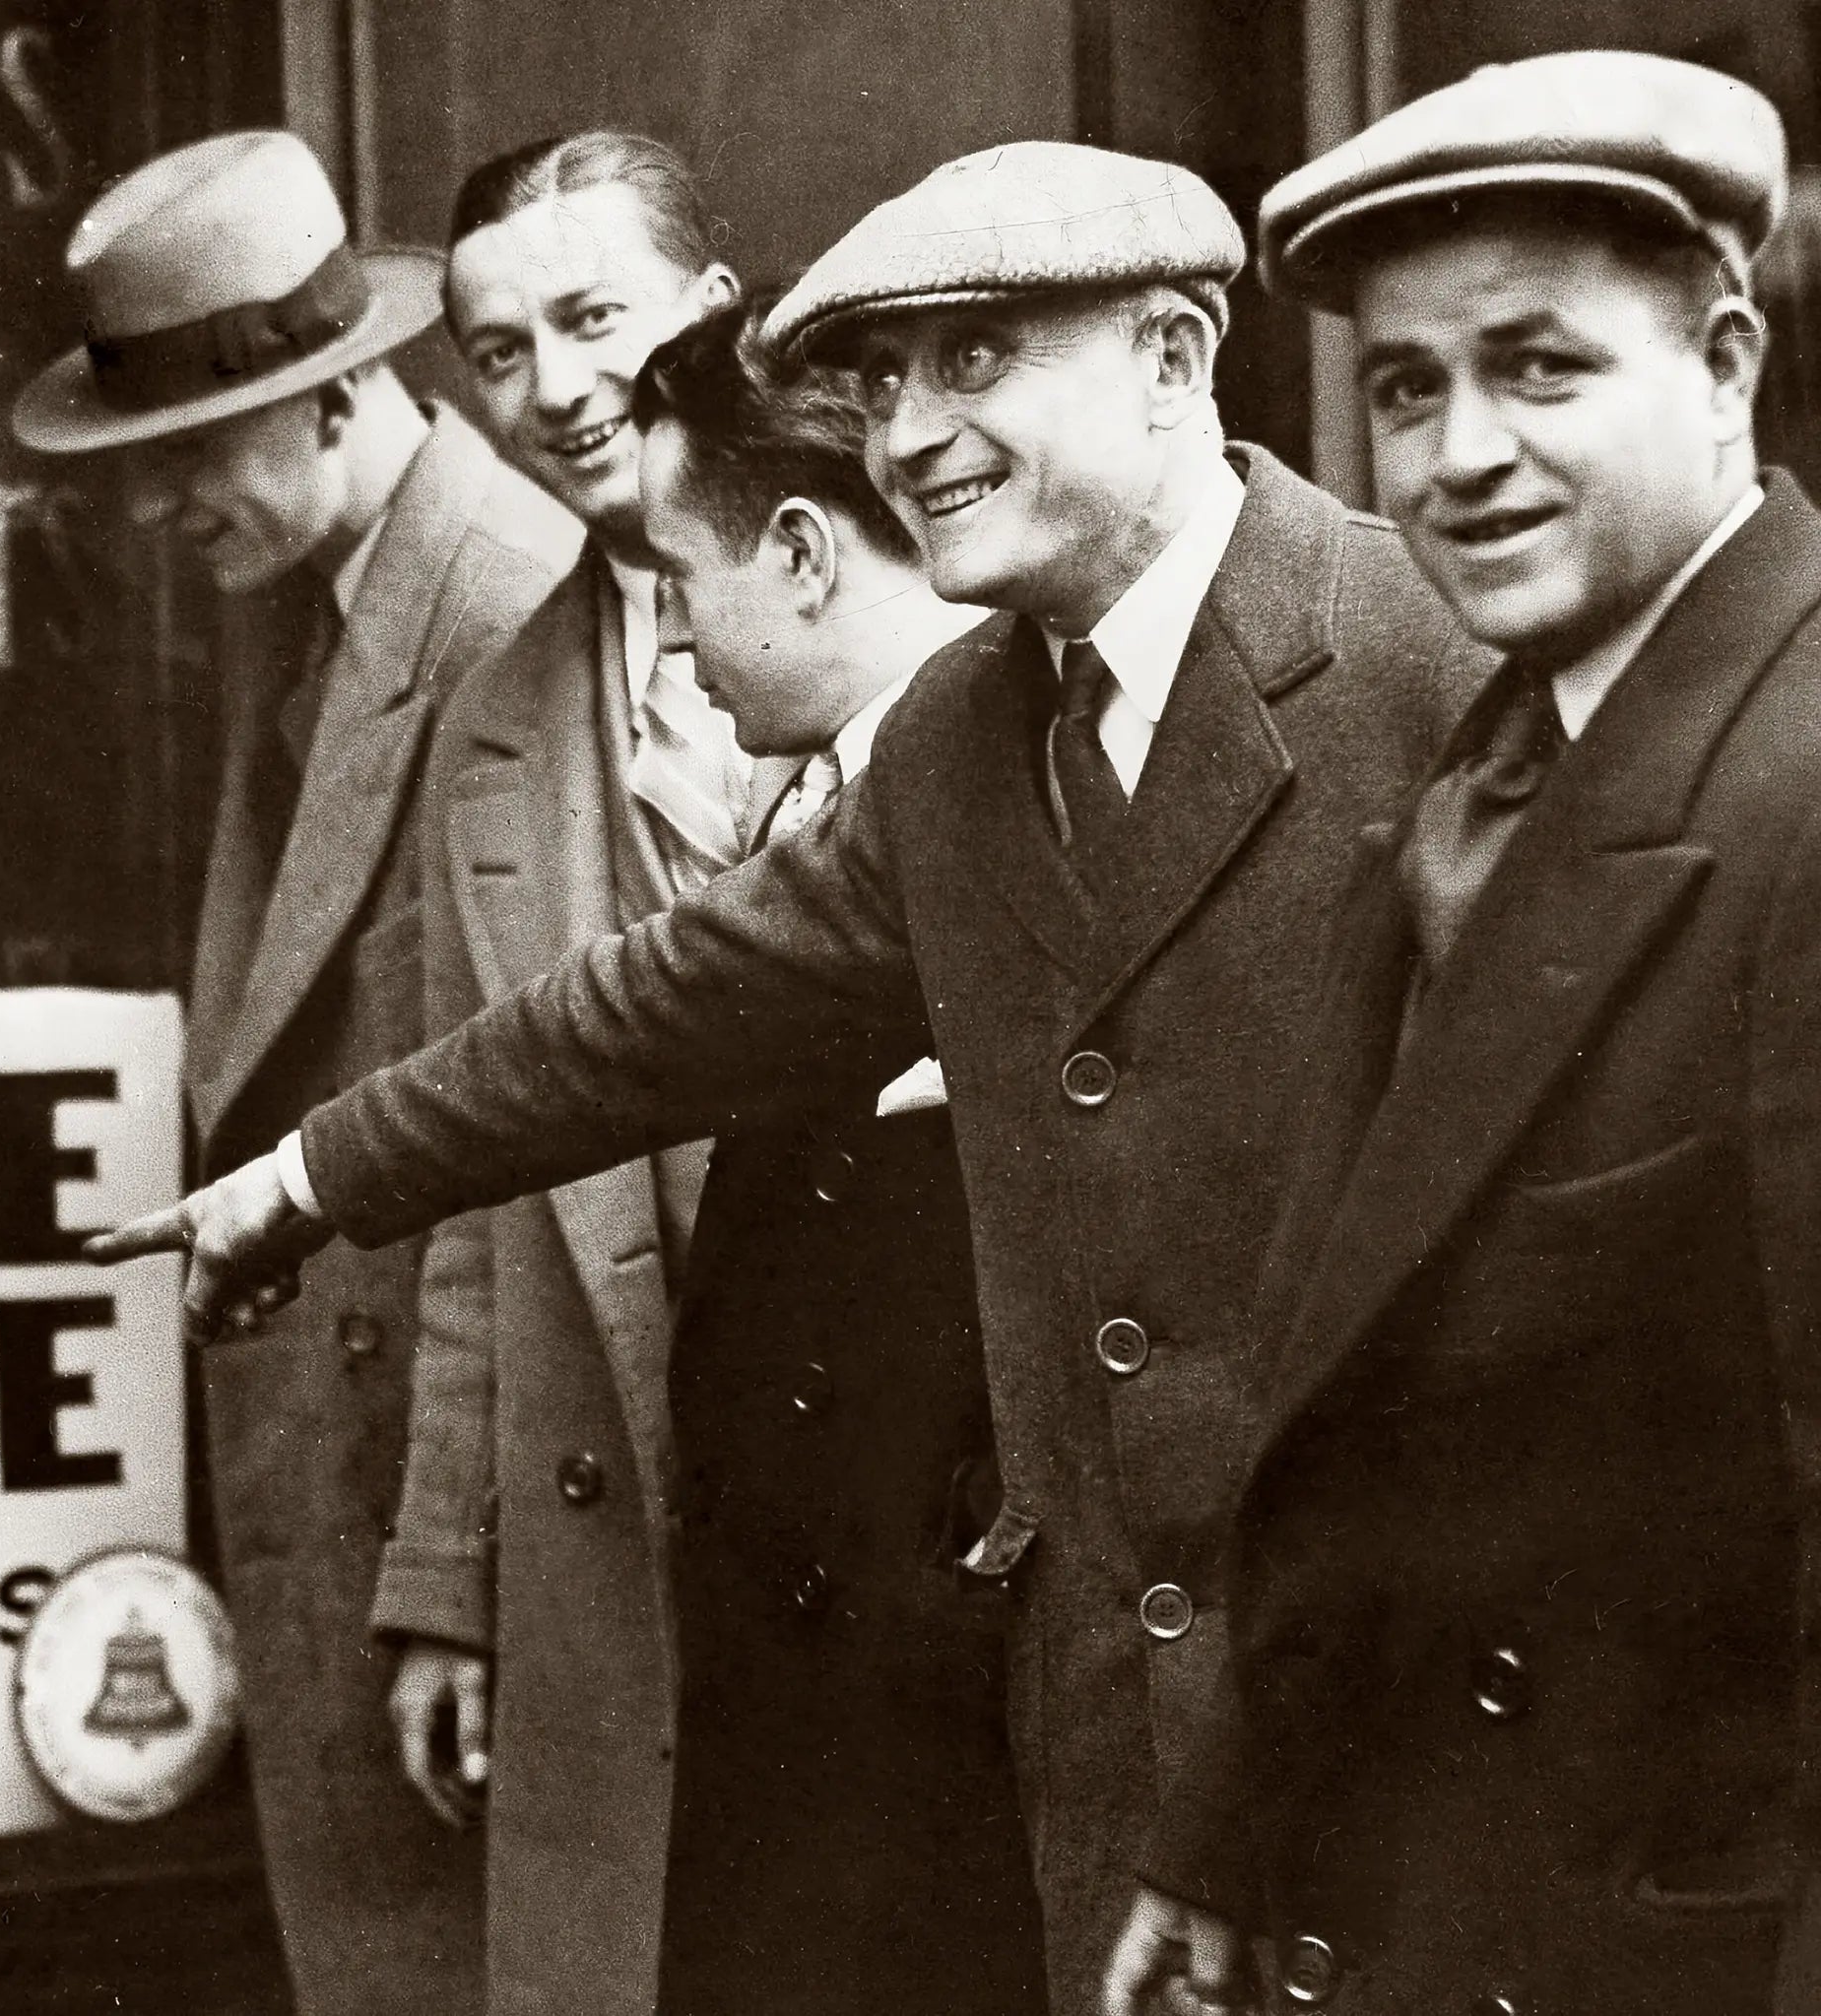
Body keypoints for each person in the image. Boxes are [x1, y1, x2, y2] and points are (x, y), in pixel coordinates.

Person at [92, 141, 1484, 2013]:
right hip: (1106, 1809)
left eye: (975, 360)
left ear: (1174, 356)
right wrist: (319, 1175)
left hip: (1394, 1792)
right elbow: (654, 1013)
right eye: (885, 381)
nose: (910, 432)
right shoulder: (969, 732)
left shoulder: (1442, 663)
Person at [1111, 49, 1821, 2016]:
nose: (1456, 454)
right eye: (1407, 388)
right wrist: (1238, 1830)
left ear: (1726, 359)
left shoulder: (1798, 790)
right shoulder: (1484, 769)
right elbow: (1381, 1411)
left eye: (1539, 365)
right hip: (1446, 1905)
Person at [11, 130, 578, 2014]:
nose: (158, 510)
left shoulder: (501, 609)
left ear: (339, 394)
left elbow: (541, 1147)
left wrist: (452, 1579)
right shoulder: (329, 620)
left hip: (461, 1569)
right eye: (135, 463)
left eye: (191, 449)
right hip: (363, 1522)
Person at [366, 133, 791, 2016]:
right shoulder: (501, 724)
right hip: (631, 1484)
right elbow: (481, 1192)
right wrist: (449, 1582)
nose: (553, 391)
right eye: (497, 349)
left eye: (592, 317)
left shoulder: (932, 600)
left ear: (717, 311)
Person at [628, 298, 1046, 2014]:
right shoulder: (815, 816)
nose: (670, 639)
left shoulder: (1015, 806)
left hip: (939, 1783)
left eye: (677, 580)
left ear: (801, 553)